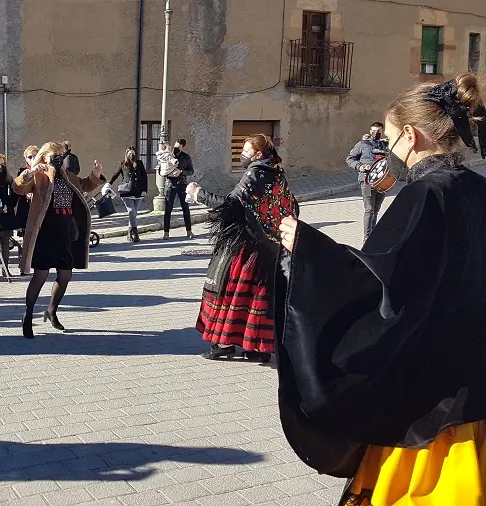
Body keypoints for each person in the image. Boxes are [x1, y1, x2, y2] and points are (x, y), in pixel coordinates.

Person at [276, 73, 486, 506]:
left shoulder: (424, 195)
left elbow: (380, 285)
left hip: (429, 398)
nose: (389, 151)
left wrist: (309, 248)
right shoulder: (479, 190)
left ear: (411, 135)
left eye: (390, 139)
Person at [186, 134, 297, 362]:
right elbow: (292, 207)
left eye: (246, 150)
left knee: (228, 292)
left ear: (258, 155)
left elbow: (230, 205)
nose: (241, 155)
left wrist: (198, 194)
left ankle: (225, 343)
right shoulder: (278, 175)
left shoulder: (254, 173)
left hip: (245, 247)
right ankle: (256, 346)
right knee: (257, 296)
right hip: (270, 248)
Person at [14, 142, 104, 338]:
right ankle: (28, 315)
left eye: (61, 155)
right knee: (41, 275)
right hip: (45, 232)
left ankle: (51, 310)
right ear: (45, 156)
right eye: (54, 155)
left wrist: (95, 174)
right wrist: (29, 173)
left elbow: (85, 185)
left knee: (65, 276)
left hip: (64, 232)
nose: (58, 158)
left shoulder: (68, 176)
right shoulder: (39, 176)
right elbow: (18, 188)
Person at [346, 122, 390, 242]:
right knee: (369, 209)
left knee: (376, 209)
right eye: (374, 131)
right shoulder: (362, 144)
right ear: (370, 131)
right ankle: (367, 237)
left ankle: (373, 235)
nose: (376, 133)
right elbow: (350, 159)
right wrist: (360, 166)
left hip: (382, 181)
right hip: (367, 180)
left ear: (382, 131)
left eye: (378, 131)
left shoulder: (384, 145)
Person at [108, 146, 148, 242]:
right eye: (129, 153)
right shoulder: (122, 163)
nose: (131, 155)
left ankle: (129, 233)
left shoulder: (139, 163)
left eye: (133, 153)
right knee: (131, 211)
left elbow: (144, 177)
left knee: (134, 214)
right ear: (126, 154)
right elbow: (115, 174)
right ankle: (135, 233)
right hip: (126, 192)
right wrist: (109, 183)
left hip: (138, 192)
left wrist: (144, 190)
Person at [0, 154, 19, 276]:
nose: (0, 166)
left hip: (7, 214)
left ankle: (5, 268)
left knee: (5, 242)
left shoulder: (9, 179)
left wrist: (9, 206)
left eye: (2, 163)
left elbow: (15, 195)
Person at [163, 139, 196, 240]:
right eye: (175, 147)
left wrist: (181, 171)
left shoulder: (186, 157)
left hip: (182, 183)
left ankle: (189, 231)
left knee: (185, 208)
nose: (175, 149)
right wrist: (167, 173)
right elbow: (161, 169)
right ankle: (166, 232)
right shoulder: (169, 155)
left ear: (182, 147)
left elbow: (191, 171)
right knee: (168, 209)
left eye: (178, 147)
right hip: (170, 184)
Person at [16, 145, 38, 275]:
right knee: (26, 237)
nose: (33, 158)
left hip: (39, 207)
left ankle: (37, 264)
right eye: (30, 157)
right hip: (27, 208)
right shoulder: (23, 171)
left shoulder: (44, 170)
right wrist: (26, 193)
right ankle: (24, 266)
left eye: (35, 155)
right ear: (26, 158)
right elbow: (18, 186)